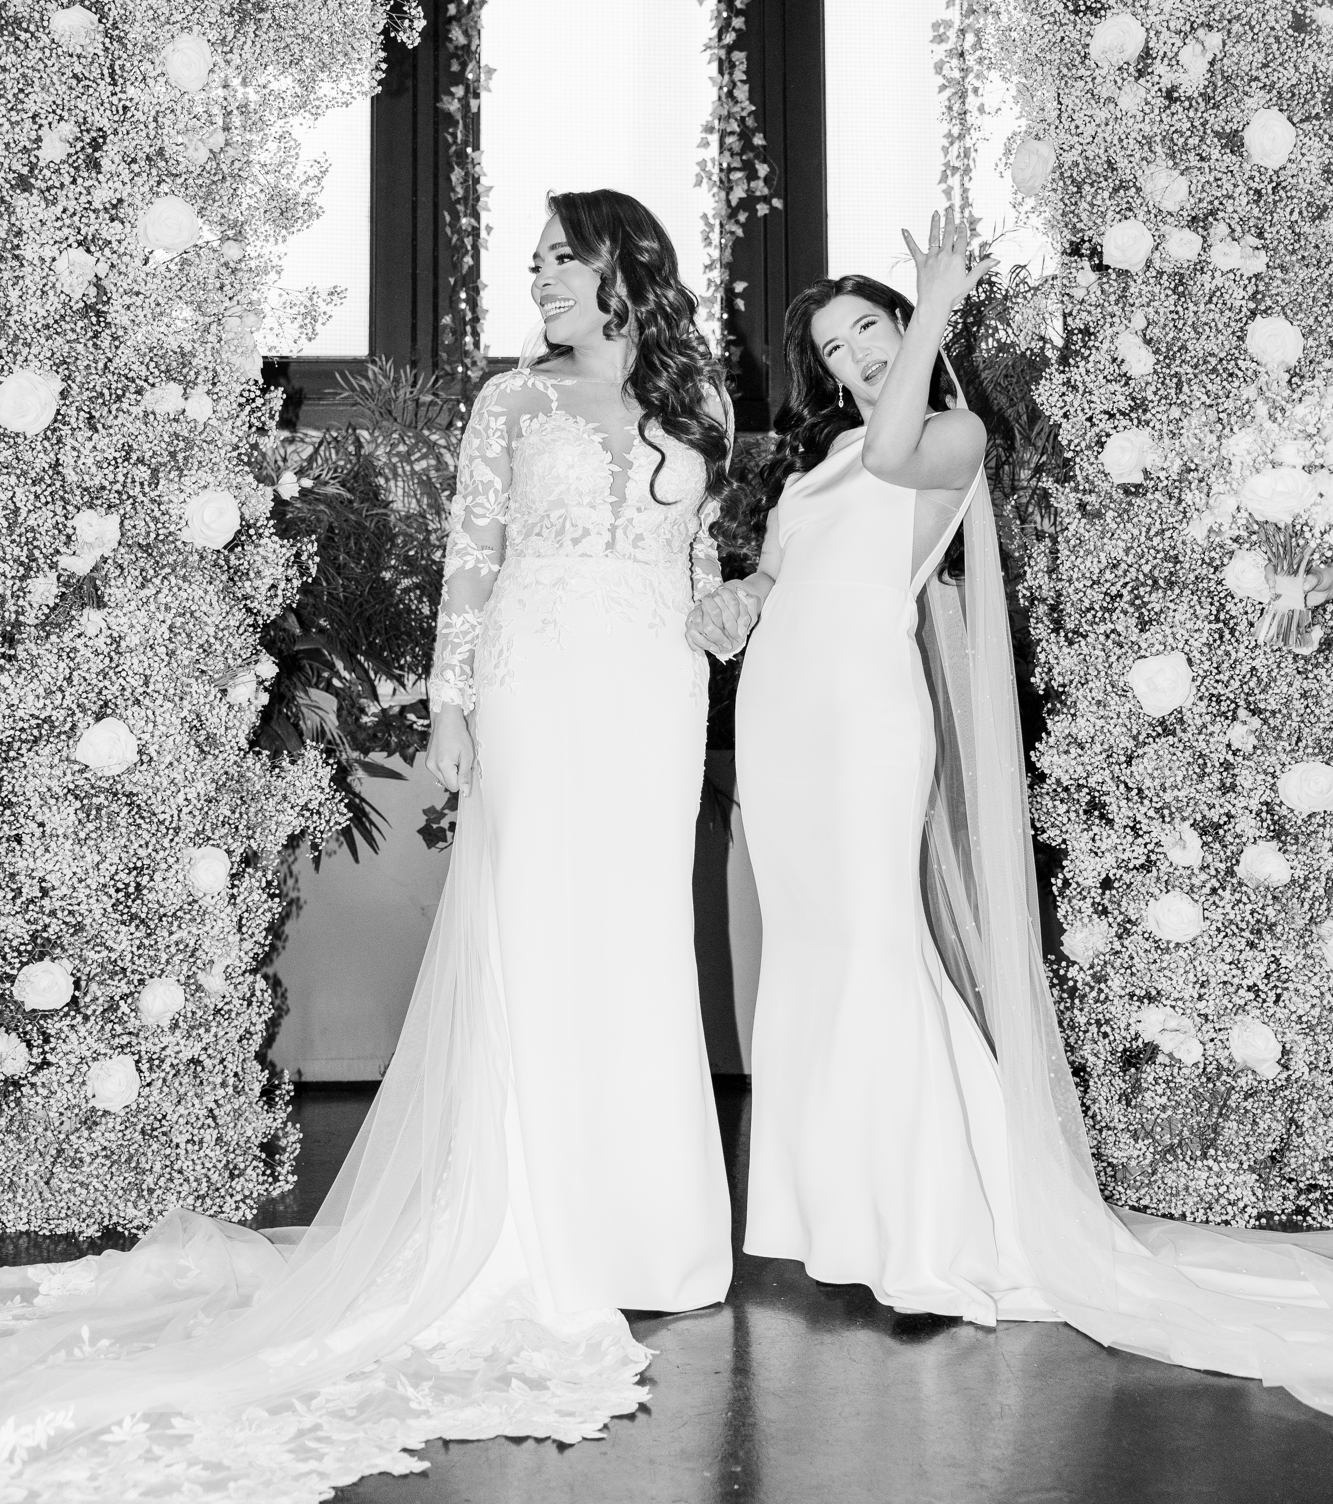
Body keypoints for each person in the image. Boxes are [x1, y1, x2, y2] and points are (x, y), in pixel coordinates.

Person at [0, 189, 733, 1497]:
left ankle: (648, 1228)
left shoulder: (701, 401)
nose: (542, 280)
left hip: (657, 693)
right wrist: (451, 706)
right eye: (534, 263)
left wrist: (733, 606)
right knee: (534, 932)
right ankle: (534, 1231)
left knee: (639, 944)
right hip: (537, 679)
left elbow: (700, 560)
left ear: (625, 264)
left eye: (562, 259)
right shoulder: (514, 400)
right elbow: (471, 562)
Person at [692, 209, 1333, 1416]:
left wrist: (937, 302)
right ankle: (837, 1218)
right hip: (780, 716)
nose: (853, 357)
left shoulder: (951, 433)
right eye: (831, 349)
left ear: (908, 326)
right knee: (814, 949)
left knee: (875, 944)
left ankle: (931, 1225)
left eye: (867, 330)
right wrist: (731, 603)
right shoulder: (812, 463)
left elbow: (894, 452)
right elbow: (774, 573)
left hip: (866, 714)